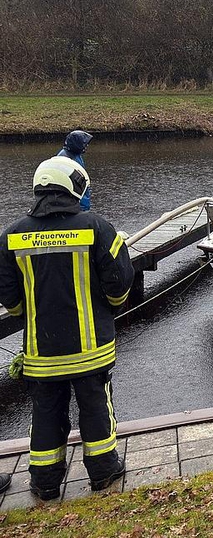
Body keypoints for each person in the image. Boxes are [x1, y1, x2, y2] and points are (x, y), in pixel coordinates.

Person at [0, 156, 134, 500]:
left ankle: (45, 482)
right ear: (74, 188)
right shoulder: (97, 228)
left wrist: (28, 314)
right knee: (96, 408)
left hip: (42, 351)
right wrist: (110, 308)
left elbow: (8, 294)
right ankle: (103, 471)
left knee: (46, 413)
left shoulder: (12, 236)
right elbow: (119, 282)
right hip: (91, 349)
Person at [57, 130, 93, 211]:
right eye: (84, 143)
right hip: (75, 204)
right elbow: (76, 184)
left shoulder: (74, 154)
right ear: (77, 144)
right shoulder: (67, 158)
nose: (86, 146)